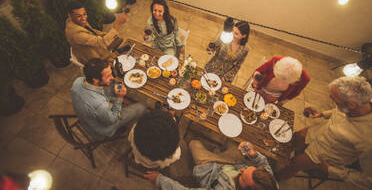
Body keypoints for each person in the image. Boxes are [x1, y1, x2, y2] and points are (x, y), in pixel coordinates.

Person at [277, 76, 372, 190]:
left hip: (323, 156)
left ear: (351, 105)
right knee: (292, 138)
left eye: (334, 99)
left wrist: (330, 169)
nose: (329, 97)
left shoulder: (367, 139)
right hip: (317, 133)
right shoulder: (356, 105)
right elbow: (337, 111)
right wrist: (322, 114)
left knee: (294, 164)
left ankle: (274, 179)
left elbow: (368, 181)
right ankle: (278, 156)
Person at [144, 140, 278, 190]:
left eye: (242, 176)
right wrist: (254, 155)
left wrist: (160, 180)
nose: (242, 170)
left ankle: (210, 153)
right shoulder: (270, 184)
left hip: (211, 171)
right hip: (229, 164)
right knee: (233, 144)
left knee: (194, 144)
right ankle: (216, 152)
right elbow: (263, 163)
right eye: (248, 169)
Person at [70, 58, 147, 140]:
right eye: (108, 76)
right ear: (95, 80)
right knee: (142, 106)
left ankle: (115, 98)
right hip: (104, 129)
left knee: (114, 85)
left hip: (90, 116)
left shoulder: (78, 81)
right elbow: (112, 119)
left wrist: (114, 99)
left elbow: (104, 91)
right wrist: (119, 98)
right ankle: (125, 125)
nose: (112, 77)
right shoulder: (100, 105)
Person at [65, 0, 128, 64]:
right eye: (79, 16)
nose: (83, 18)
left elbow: (93, 31)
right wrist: (118, 24)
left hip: (96, 46)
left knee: (119, 39)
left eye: (84, 14)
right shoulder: (76, 34)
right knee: (121, 64)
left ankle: (117, 53)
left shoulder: (77, 21)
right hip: (94, 58)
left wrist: (107, 35)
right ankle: (114, 57)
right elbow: (102, 43)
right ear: (70, 16)